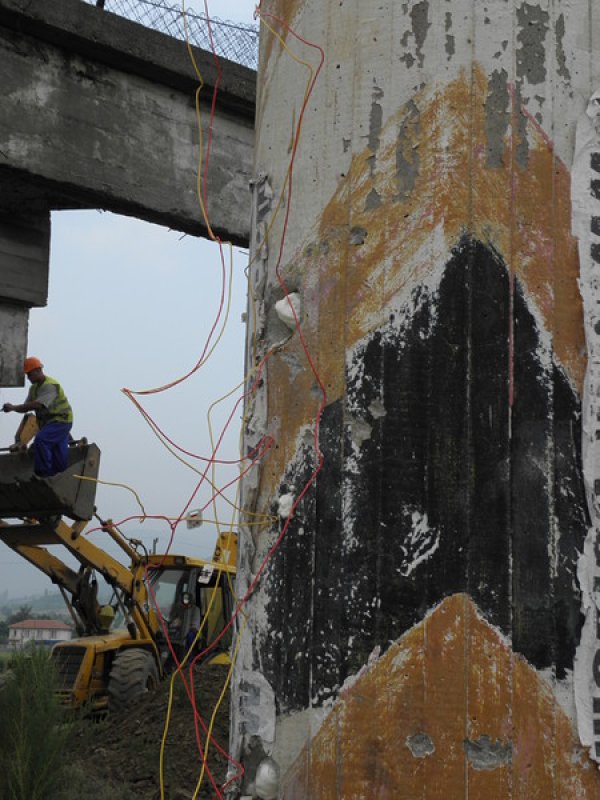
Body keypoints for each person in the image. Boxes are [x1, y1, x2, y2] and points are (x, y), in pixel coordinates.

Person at [2, 357, 73, 477]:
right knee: (60, 460)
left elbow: (37, 405)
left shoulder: (50, 385)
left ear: (38, 370)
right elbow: (26, 407)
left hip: (61, 422)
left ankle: (43, 474)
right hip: (49, 425)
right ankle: (57, 475)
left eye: (29, 374)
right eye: (27, 375)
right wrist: (12, 408)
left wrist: (13, 407)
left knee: (41, 440)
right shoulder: (34, 388)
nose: (28, 377)